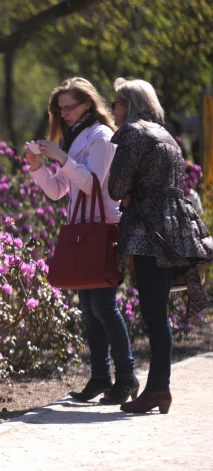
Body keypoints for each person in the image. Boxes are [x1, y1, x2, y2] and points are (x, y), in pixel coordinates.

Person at [24, 77, 139, 404]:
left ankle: (127, 376)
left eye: (70, 107)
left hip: (104, 229)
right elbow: (59, 191)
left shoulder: (102, 136)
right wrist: (37, 168)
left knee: (103, 305)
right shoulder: (74, 139)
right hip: (82, 230)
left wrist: (61, 158)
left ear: (88, 104)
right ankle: (101, 377)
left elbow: (91, 184)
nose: (64, 114)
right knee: (89, 309)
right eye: (60, 110)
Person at [108, 78, 213, 414]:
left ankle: (158, 390)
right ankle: (158, 389)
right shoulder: (167, 136)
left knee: (154, 313)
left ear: (128, 104)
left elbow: (116, 186)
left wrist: (127, 191)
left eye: (116, 103)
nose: (113, 110)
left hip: (147, 230)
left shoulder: (132, 133)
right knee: (159, 312)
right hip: (173, 226)